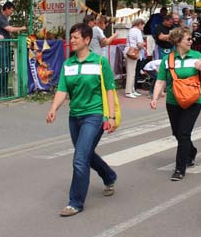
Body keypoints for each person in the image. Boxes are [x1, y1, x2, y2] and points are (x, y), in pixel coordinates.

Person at [46, 23, 118, 217]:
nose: (72, 40)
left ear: (87, 40)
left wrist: (111, 116)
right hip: (75, 117)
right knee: (85, 154)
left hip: (95, 115)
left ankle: (75, 202)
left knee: (79, 158)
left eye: (76, 37)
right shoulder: (68, 64)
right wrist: (53, 108)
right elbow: (62, 90)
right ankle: (109, 175)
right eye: (71, 37)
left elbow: (109, 90)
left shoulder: (100, 62)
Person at [151, 26, 201, 181]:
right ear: (178, 41)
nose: (191, 41)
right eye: (188, 39)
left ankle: (179, 168)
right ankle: (191, 151)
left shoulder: (197, 56)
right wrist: (155, 98)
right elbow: (160, 81)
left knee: (184, 133)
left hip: (193, 100)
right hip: (173, 101)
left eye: (191, 39)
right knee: (177, 133)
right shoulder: (168, 59)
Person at [0, 1, 27, 98]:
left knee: (6, 69)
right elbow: (10, 29)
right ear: (6, 9)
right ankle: (1, 92)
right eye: (11, 10)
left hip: (5, 46)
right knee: (2, 69)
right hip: (1, 47)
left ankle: (4, 90)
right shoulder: (0, 18)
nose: (12, 12)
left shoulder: (4, 19)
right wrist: (22, 28)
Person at [124, 18, 145, 99]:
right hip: (133, 52)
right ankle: (129, 91)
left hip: (128, 51)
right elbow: (139, 44)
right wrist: (143, 46)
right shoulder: (138, 32)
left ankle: (132, 89)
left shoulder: (131, 30)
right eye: (142, 25)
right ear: (139, 24)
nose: (143, 27)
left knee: (131, 72)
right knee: (131, 73)